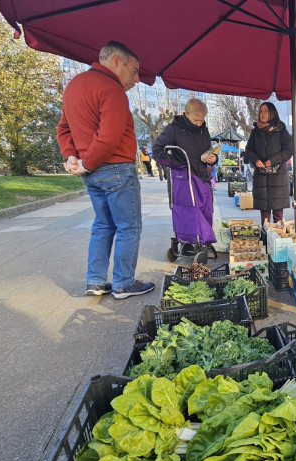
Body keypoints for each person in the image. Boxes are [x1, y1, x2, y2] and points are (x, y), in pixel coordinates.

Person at [57, 41, 155, 299]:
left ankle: (96, 281)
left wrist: (72, 157)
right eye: (134, 70)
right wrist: (87, 161)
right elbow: (109, 136)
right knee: (129, 226)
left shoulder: (74, 86)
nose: (136, 78)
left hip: (92, 173)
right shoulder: (111, 90)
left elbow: (63, 128)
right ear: (116, 61)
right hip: (115, 168)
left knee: (103, 225)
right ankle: (124, 283)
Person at [152, 98, 217, 241]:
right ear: (186, 114)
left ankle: (204, 240)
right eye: (196, 120)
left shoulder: (203, 130)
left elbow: (209, 150)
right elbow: (157, 149)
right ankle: (189, 241)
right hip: (184, 178)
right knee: (188, 211)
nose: (199, 123)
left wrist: (213, 158)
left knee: (206, 210)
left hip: (203, 176)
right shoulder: (173, 129)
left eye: (202, 120)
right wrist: (176, 163)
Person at [244, 102, 293, 225]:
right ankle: (265, 238)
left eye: (265, 110)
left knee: (278, 213)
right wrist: (255, 160)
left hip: (278, 178)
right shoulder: (256, 131)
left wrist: (272, 160)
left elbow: (289, 150)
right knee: (264, 214)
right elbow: (248, 151)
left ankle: (277, 240)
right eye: (261, 111)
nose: (262, 113)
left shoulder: (281, 130)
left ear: (272, 113)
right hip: (261, 177)